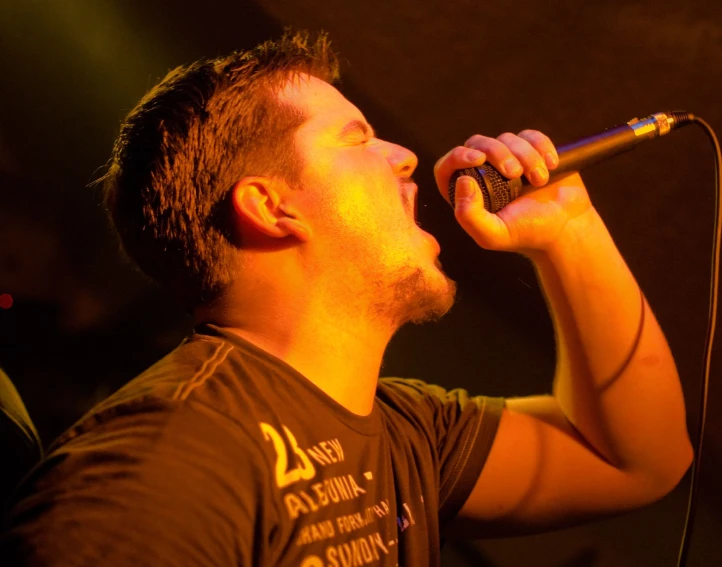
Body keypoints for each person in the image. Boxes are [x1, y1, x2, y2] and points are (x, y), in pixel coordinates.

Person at [0, 30, 692, 566]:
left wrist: (570, 229)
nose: (405, 157)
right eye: (356, 137)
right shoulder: (164, 465)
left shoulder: (408, 430)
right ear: (272, 207)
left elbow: (638, 459)